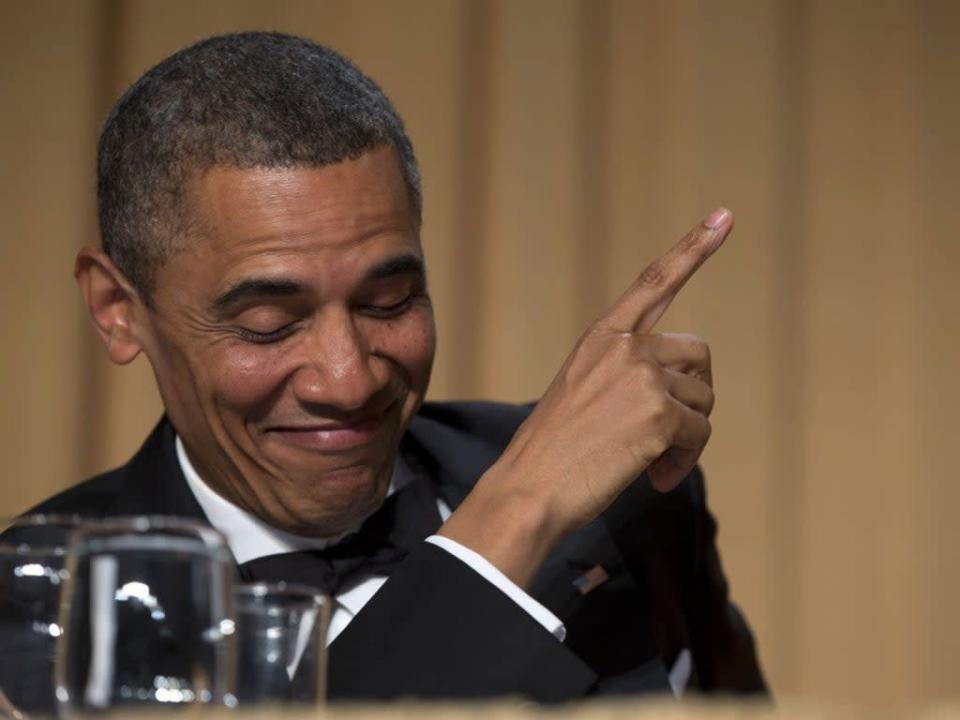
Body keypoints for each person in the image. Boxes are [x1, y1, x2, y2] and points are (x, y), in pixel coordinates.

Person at [18, 31, 766, 701]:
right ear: (118, 308)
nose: (349, 381)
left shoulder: (620, 501)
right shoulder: (27, 608)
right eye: (268, 324)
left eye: (389, 301)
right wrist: (507, 522)